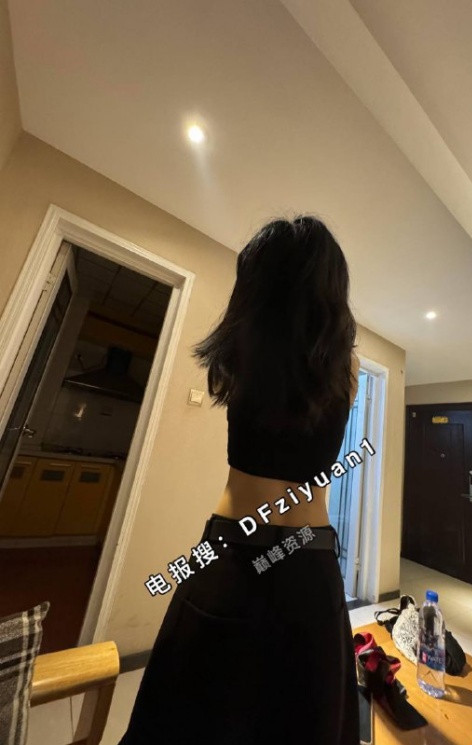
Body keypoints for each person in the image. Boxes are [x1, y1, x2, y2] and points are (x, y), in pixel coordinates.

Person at [118, 215, 361, 744]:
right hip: (306, 553)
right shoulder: (347, 368)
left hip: (228, 550)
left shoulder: (240, 353)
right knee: (307, 719)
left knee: (184, 718)